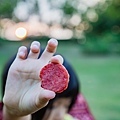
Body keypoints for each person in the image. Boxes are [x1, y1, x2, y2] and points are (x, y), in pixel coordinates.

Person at [0, 38, 95, 120]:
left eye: (66, 105)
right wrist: (15, 114)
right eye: (51, 107)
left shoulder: (78, 107)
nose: (60, 115)